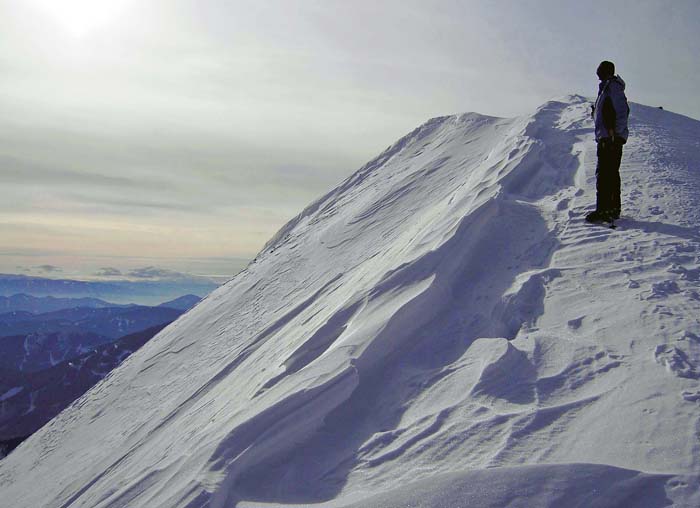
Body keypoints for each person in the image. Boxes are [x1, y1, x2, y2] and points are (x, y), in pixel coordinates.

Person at [586, 60, 630, 223]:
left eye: (600, 70)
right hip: (608, 137)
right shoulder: (606, 87)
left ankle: (604, 210)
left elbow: (619, 112)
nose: (597, 73)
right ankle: (612, 208)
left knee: (605, 174)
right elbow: (607, 111)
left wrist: (613, 135)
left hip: (610, 139)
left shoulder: (612, 87)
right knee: (609, 173)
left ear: (606, 71)